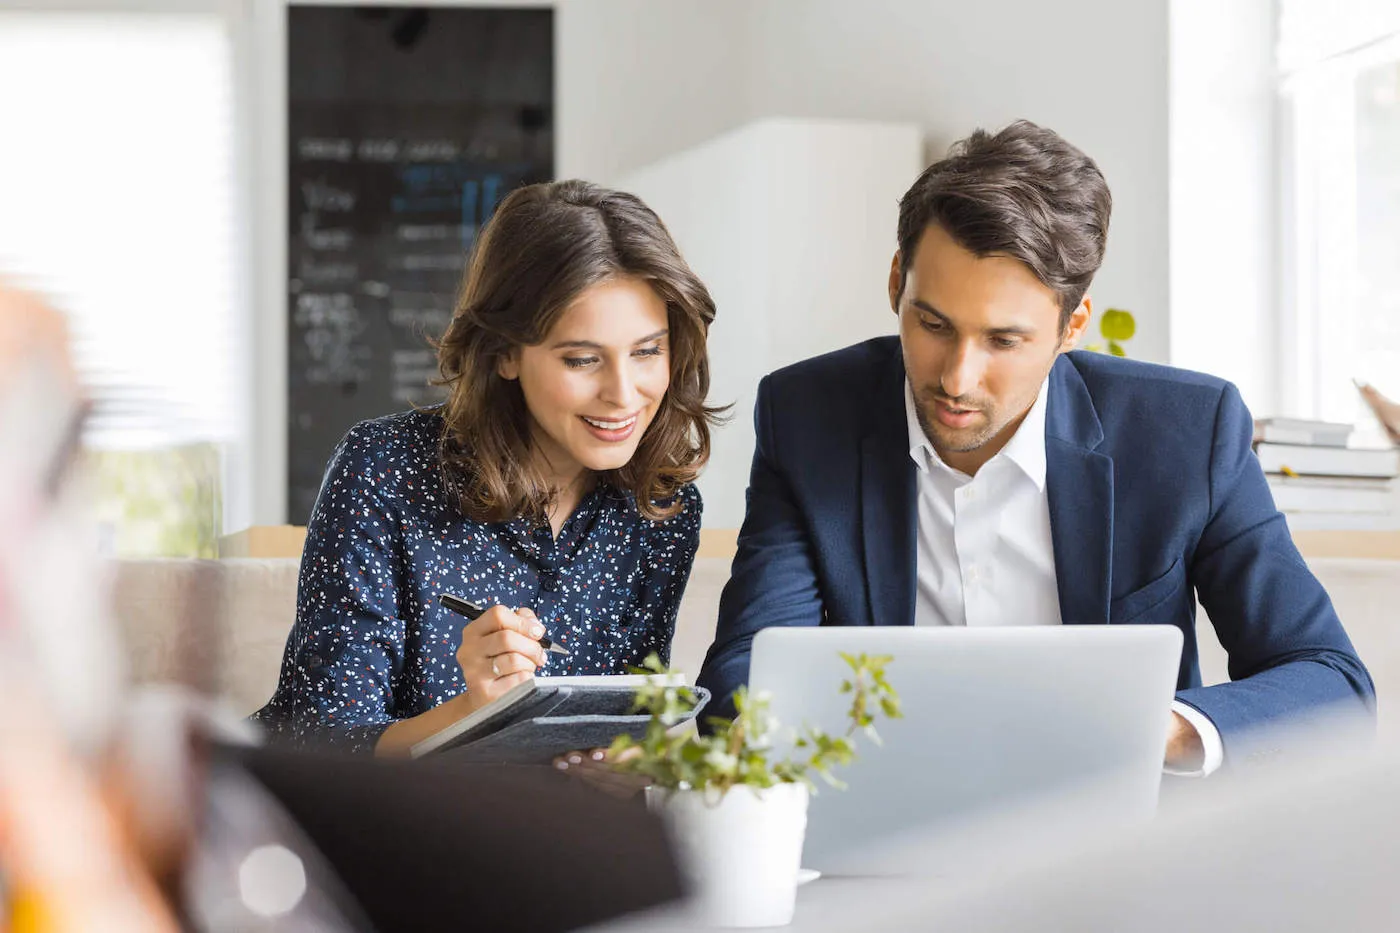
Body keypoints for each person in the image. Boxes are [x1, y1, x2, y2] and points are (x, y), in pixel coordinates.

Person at [695, 121, 1374, 775]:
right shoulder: (809, 414)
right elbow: (744, 673)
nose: (957, 378)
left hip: (1117, 843)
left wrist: (1151, 729)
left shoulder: (1187, 432)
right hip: (883, 835)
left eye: (1004, 340)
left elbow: (1330, 680)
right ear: (897, 278)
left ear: (1072, 323)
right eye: (932, 323)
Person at [255, 180, 724, 755]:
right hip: (377, 828)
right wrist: (474, 712)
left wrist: (620, 769)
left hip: (539, 834)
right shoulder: (383, 470)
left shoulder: (664, 510)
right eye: (582, 359)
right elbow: (317, 743)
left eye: (648, 351)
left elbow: (623, 727)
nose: (624, 394)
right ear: (504, 353)